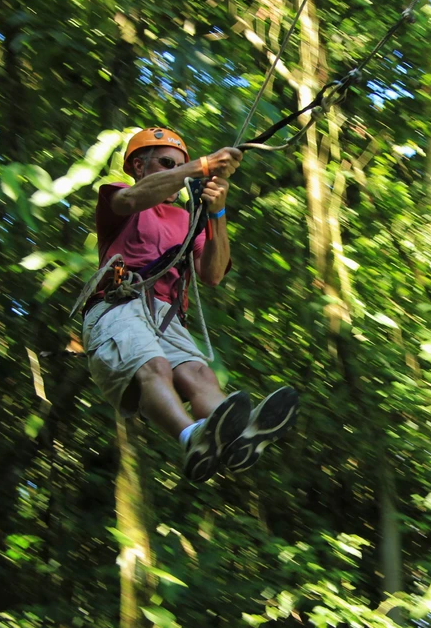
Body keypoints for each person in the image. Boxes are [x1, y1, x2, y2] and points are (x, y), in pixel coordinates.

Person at [81, 126, 297, 482]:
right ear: (138, 165)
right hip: (119, 305)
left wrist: (216, 215)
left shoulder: (186, 219)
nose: (175, 171)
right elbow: (133, 201)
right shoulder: (119, 195)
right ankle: (190, 436)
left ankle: (235, 439)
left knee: (199, 374)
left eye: (178, 165)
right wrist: (200, 166)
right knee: (153, 365)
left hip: (166, 316)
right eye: (166, 163)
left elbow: (211, 274)